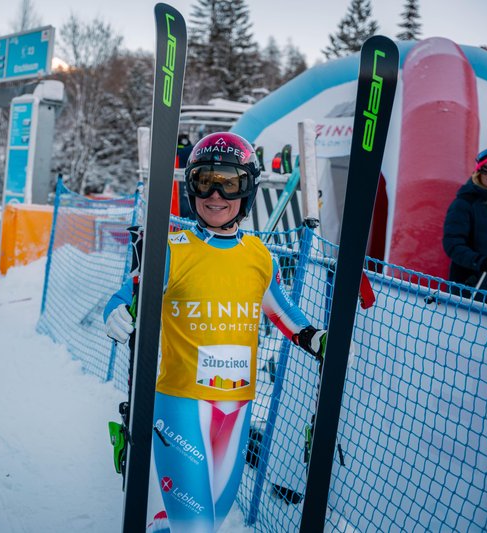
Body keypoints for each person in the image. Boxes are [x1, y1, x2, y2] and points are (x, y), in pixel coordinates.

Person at [104, 132, 326, 532]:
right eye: (206, 180)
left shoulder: (257, 255)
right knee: (195, 526)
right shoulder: (173, 247)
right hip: (180, 404)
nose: (216, 194)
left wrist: (318, 338)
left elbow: (283, 313)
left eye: (230, 181)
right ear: (192, 187)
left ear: (249, 188)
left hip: (236, 406)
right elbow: (126, 296)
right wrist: (116, 312)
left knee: (210, 519)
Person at [443, 148, 487, 294]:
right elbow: (452, 244)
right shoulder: (465, 203)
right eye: (486, 169)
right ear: (478, 172)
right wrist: (477, 261)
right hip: (472, 290)